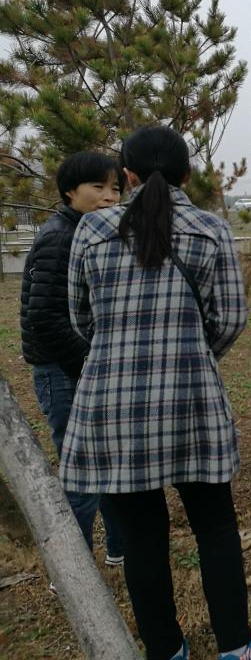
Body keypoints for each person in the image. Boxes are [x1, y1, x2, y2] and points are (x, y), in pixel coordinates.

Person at [63, 126, 251, 660]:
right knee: (215, 527)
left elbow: (80, 317)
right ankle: (237, 647)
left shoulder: (92, 228)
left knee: (142, 538)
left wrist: (119, 350)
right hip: (191, 398)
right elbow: (230, 319)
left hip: (112, 403)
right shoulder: (210, 230)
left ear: (127, 174)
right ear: (187, 175)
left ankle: (167, 650)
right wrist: (191, 353)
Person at [19, 151, 125, 567]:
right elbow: (43, 318)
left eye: (115, 188)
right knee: (81, 470)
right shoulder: (61, 237)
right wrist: (89, 365)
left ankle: (119, 547)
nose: (109, 197)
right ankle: (77, 569)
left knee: (108, 461)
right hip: (62, 370)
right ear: (69, 192)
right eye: (98, 187)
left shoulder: (87, 232)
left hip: (82, 365)